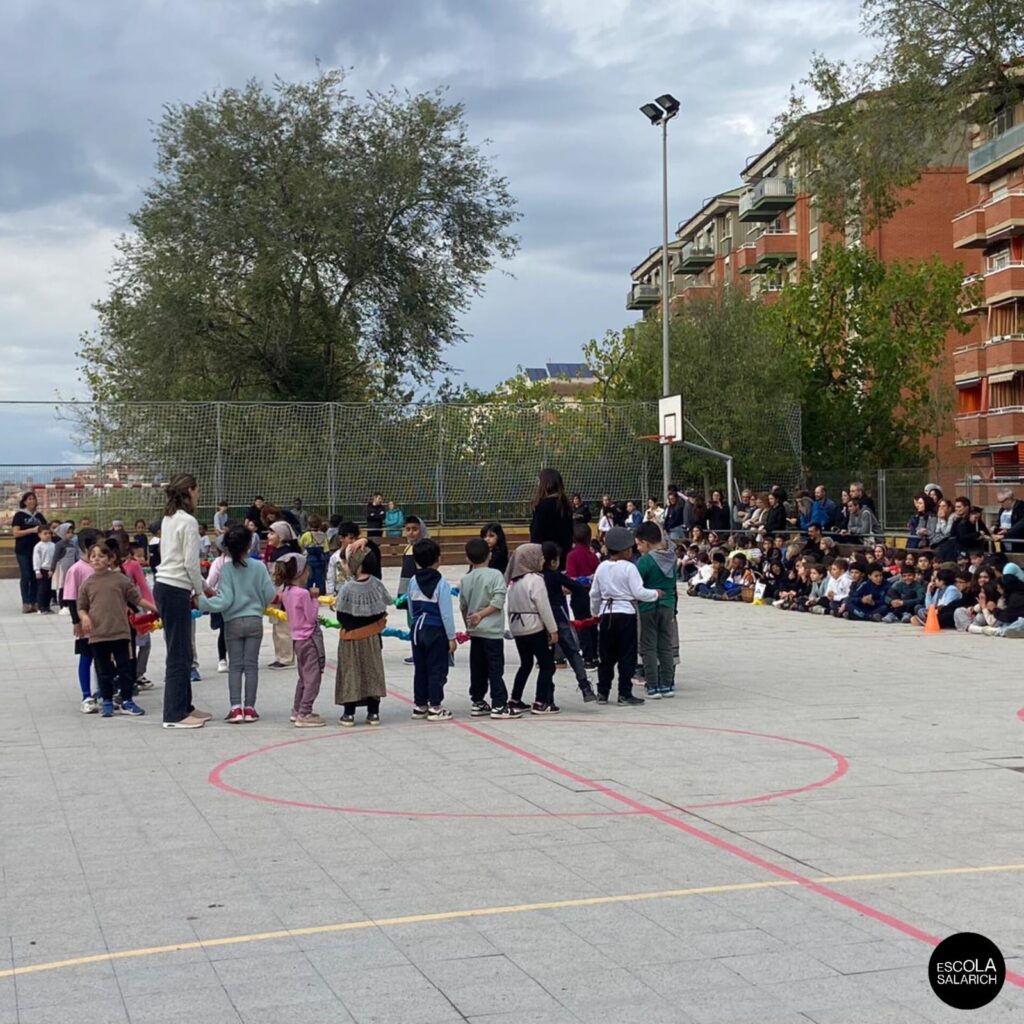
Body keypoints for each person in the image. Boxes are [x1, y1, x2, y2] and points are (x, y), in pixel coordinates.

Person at [198, 525, 277, 723]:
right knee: (251, 665)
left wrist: (201, 602)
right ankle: (250, 708)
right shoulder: (259, 566)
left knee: (235, 666)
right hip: (254, 620)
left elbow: (224, 600)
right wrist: (258, 603)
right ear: (249, 544)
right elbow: (270, 594)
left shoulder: (226, 569)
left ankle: (235, 708)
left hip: (232, 621)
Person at [154, 474, 212, 729]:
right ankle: (173, 714)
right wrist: (198, 591)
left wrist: (205, 586)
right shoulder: (188, 521)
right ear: (189, 490)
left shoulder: (170, 518)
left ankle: (185, 705)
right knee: (178, 653)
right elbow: (190, 562)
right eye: (197, 490)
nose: (199, 494)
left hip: (170, 586)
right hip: (174, 588)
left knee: (185, 651)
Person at [76, 542, 157, 718]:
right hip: (98, 634)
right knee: (103, 670)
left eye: (101, 556)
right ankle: (106, 700)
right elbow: (81, 607)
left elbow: (137, 599)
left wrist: (155, 609)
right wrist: (84, 617)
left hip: (120, 633)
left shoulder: (121, 580)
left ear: (110, 558)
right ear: (89, 559)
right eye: (93, 556)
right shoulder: (87, 584)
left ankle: (127, 700)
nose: (97, 559)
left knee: (124, 669)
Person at [590, 527, 659, 705]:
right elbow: (639, 592)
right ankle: (624, 693)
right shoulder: (629, 568)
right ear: (625, 550)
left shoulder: (601, 567)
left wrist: (595, 612)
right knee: (627, 655)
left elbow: (594, 594)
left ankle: (602, 692)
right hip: (626, 613)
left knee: (606, 656)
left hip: (607, 613)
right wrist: (656, 594)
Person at [460, 537, 517, 718]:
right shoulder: (495, 575)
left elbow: (463, 606)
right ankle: (499, 704)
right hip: (492, 632)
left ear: (467, 558)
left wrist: (469, 624)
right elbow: (498, 601)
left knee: (477, 668)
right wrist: (482, 615)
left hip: (476, 632)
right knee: (495, 668)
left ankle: (477, 701)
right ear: (489, 555)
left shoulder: (466, 579)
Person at [334, 544, 391, 726]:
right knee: (373, 672)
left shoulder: (347, 588)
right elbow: (383, 607)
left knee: (351, 673)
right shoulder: (377, 584)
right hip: (372, 637)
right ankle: (373, 713)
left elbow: (341, 616)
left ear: (356, 565)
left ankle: (348, 714)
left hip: (350, 640)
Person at [506, 542, 559, 714]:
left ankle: (515, 699)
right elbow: (543, 606)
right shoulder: (536, 580)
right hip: (534, 626)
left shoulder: (513, 582)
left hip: (518, 627)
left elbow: (509, 607)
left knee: (526, 663)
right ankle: (540, 701)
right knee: (547, 665)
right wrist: (552, 629)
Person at [407, 538, 457, 721]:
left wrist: (414, 625)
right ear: (438, 559)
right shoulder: (441, 582)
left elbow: (410, 606)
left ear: (416, 561)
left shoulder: (413, 580)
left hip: (417, 629)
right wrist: (451, 637)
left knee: (420, 668)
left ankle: (420, 705)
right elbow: (446, 613)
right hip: (435, 629)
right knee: (437, 668)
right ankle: (435, 706)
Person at [540, 541, 596, 702]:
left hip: (541, 621)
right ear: (553, 561)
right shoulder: (556, 575)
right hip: (559, 617)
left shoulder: (536, 577)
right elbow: (577, 587)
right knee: (572, 652)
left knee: (545, 659)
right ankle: (585, 686)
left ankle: (547, 694)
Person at [277, 553, 326, 727]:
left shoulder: (286, 592)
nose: (308, 573)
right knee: (313, 677)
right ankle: (305, 712)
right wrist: (315, 599)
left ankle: (297, 709)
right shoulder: (303, 594)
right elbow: (311, 618)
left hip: (297, 639)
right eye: (307, 570)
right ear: (300, 573)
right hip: (309, 638)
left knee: (303, 676)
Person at [634, 522, 677, 699]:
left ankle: (652, 685)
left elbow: (636, 584)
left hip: (648, 606)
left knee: (649, 646)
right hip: (668, 605)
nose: (638, 548)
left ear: (645, 542)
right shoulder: (672, 558)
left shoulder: (645, 561)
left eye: (639, 544)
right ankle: (667, 684)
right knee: (665, 645)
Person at [63, 527, 100, 712]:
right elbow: (71, 598)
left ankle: (102, 691)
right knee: (86, 657)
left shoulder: (103, 567)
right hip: (86, 621)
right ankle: (86, 696)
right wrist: (76, 621)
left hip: (104, 621)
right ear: (88, 545)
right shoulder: (76, 569)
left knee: (103, 657)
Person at [566, 522, 599, 667]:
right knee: (592, 624)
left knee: (582, 625)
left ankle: (587, 657)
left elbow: (571, 578)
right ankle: (595, 655)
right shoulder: (593, 556)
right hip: (592, 594)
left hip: (578, 594)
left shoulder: (572, 556)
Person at [529, 468, 574, 570]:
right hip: (562, 556)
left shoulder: (543, 506)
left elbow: (536, 535)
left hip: (545, 558)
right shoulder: (565, 505)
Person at [12, 491, 47, 612]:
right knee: (26, 575)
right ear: (25, 502)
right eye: (29, 499)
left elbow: (45, 530)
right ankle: (26, 602)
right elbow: (16, 533)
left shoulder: (39, 516)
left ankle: (35, 601)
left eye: (33, 499)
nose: (32, 501)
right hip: (23, 550)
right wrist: (31, 530)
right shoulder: (19, 515)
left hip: (37, 550)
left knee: (35, 575)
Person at [299, 514, 330, 593]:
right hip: (320, 560)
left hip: (309, 560)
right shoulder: (323, 535)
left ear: (309, 524)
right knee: (320, 579)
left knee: (309, 578)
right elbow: (326, 549)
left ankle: (307, 593)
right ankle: (320, 593)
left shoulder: (306, 535)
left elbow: (300, 545)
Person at [32, 526, 56, 614]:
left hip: (51, 569)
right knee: (42, 589)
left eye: (49, 533)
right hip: (43, 570)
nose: (48, 535)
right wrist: (37, 570)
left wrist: (53, 569)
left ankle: (47, 606)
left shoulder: (53, 545)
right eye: (45, 533)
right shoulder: (38, 546)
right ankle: (41, 607)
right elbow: (36, 559)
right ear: (39, 535)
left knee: (50, 589)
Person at [993, 487, 1024, 552]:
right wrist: (995, 527)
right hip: (1003, 543)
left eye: (1002, 502)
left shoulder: (1021, 508)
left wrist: (1007, 532)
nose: (1001, 504)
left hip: (1018, 544)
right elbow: (999, 523)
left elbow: (1020, 526)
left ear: (1009, 499)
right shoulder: (1002, 509)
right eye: (999, 502)